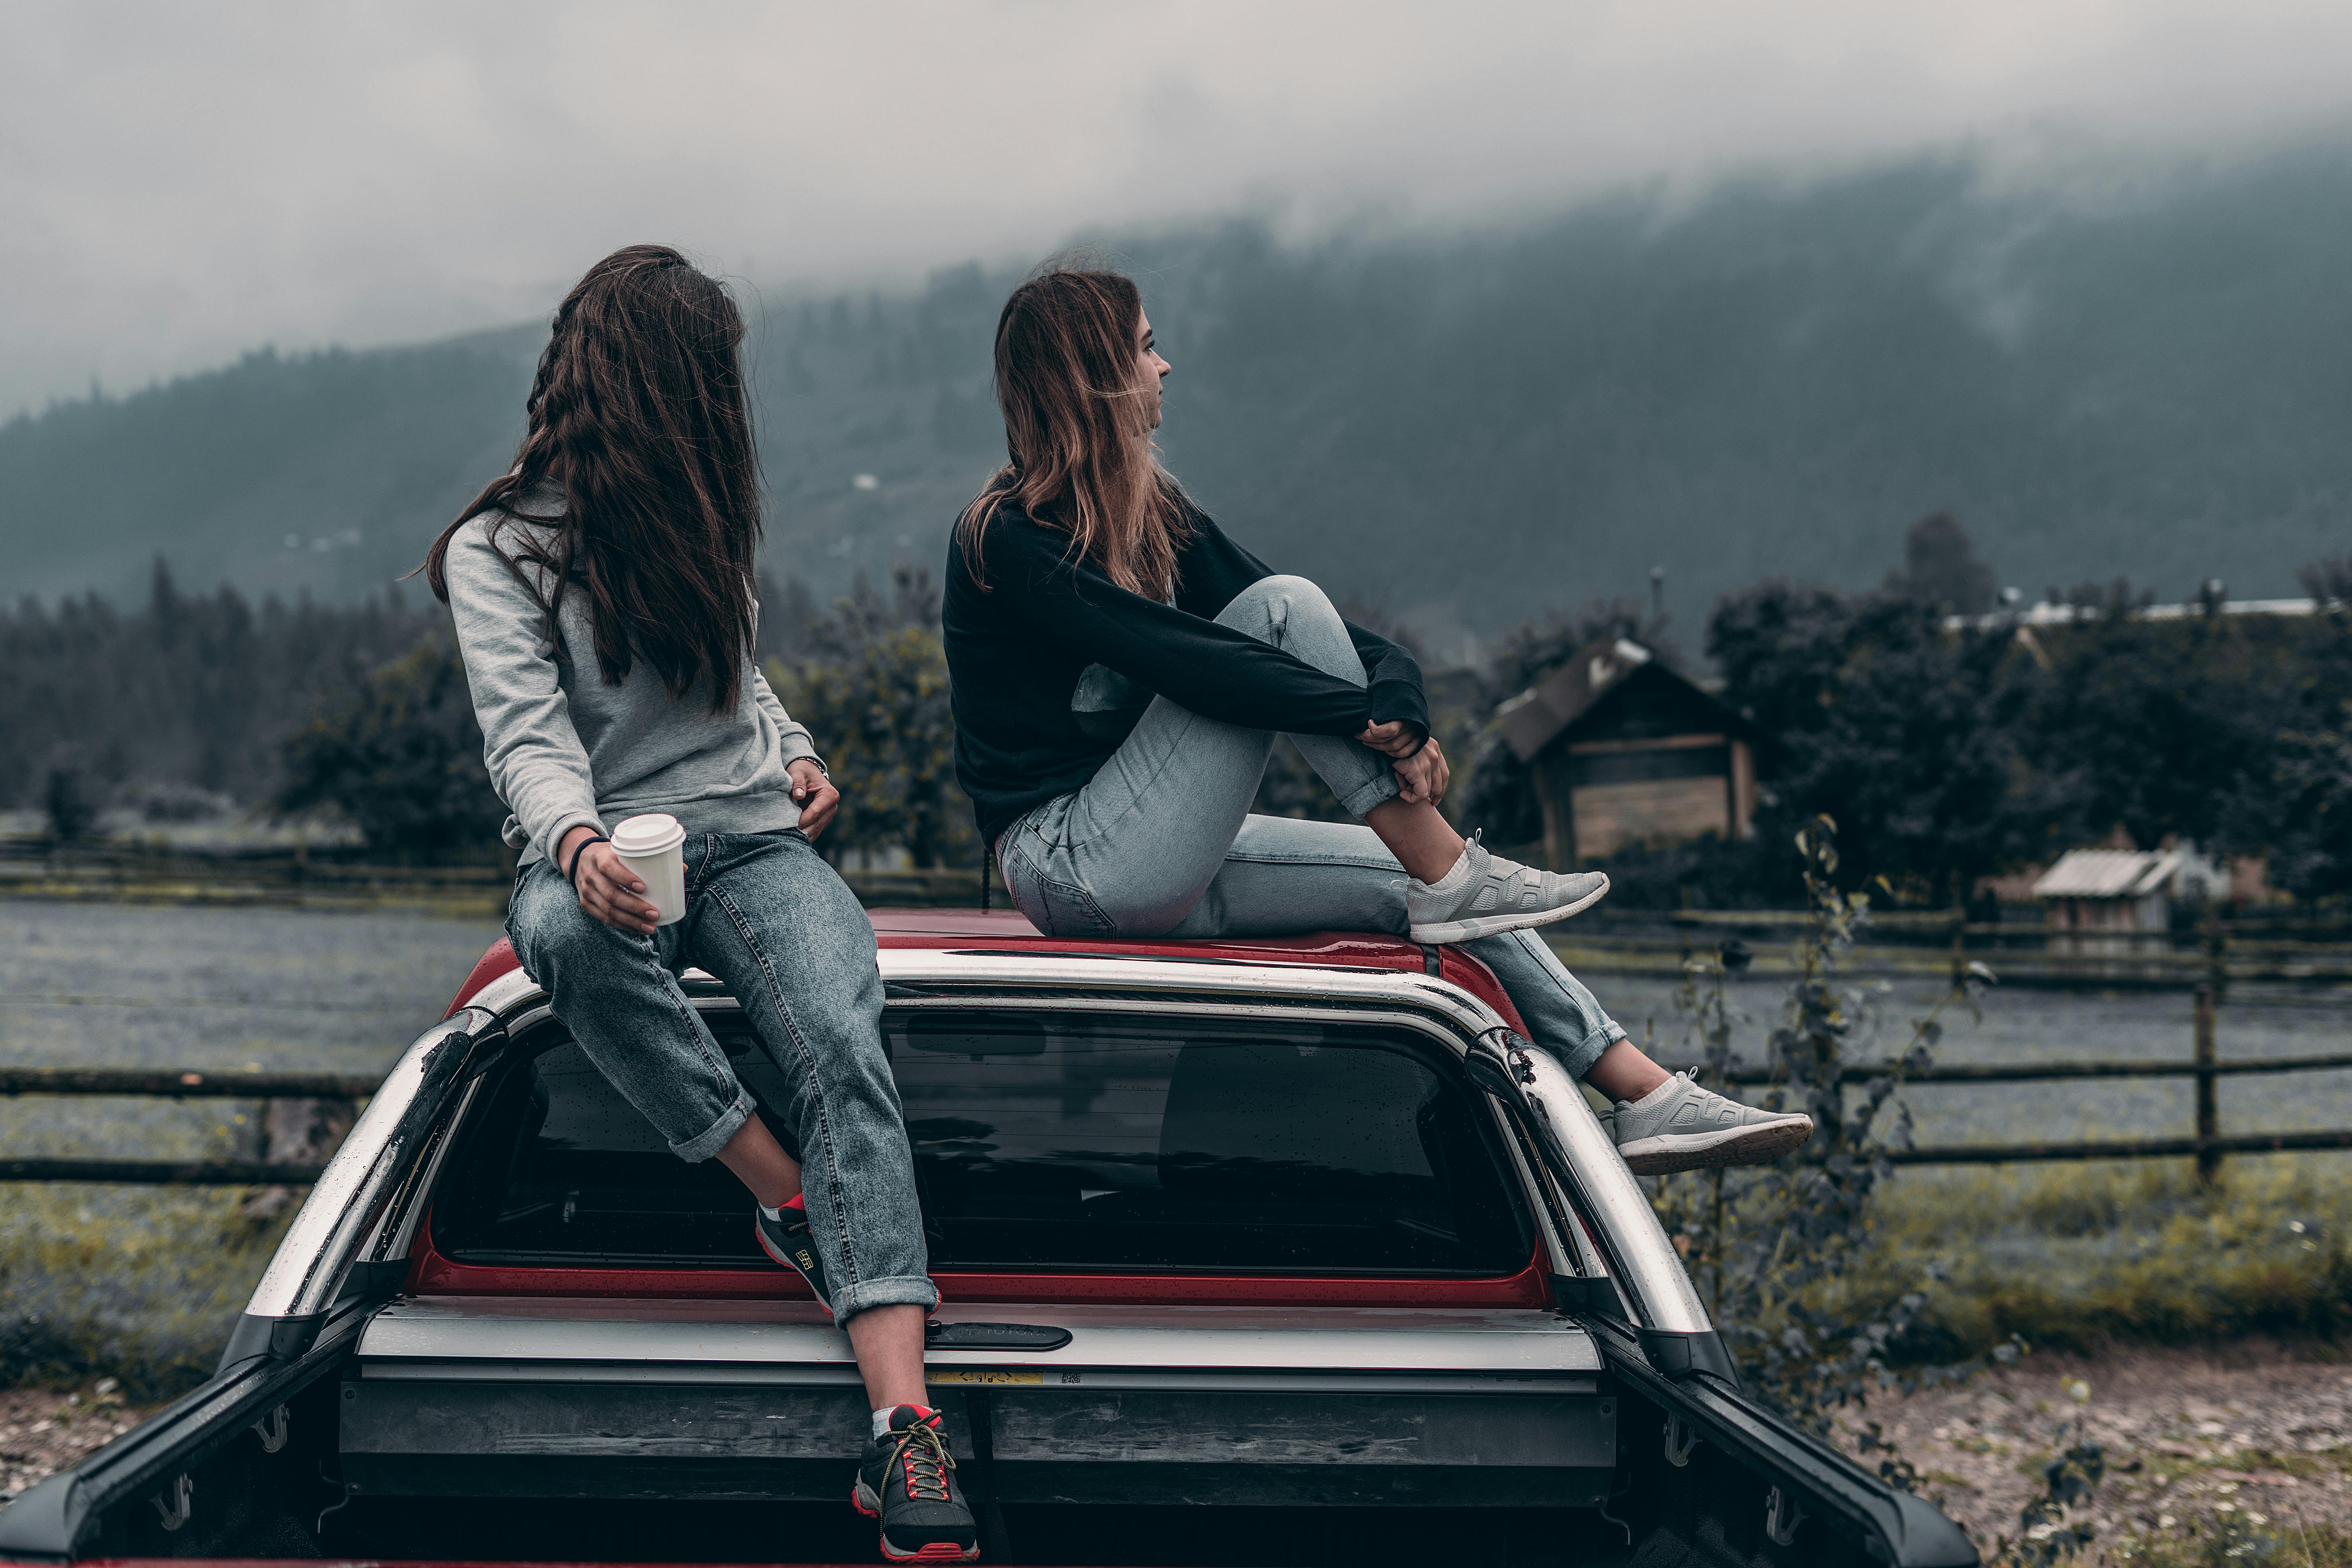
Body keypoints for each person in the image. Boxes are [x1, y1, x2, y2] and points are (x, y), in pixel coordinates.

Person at [943, 263, 1811, 1177]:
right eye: (1148, 347)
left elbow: (1329, 636)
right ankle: (1451, 869)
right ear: (1096, 376)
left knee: (1425, 898)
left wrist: (1398, 699)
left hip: (1159, 854)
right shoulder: (1006, 537)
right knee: (1282, 614)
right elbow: (1194, 661)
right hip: (1070, 861)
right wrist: (1363, 720)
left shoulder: (1151, 511)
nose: (1167, 368)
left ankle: (1645, 1095)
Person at [424, 245, 977, 1564]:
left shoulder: (700, 517)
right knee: (553, 937)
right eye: (707, 379)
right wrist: (571, 842)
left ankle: (904, 1427)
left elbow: (743, 677)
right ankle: (782, 1192)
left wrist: (795, 751)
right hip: (608, 858)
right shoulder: (499, 551)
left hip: (756, 845)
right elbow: (526, 736)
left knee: (844, 1034)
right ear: (649, 387)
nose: (725, 404)